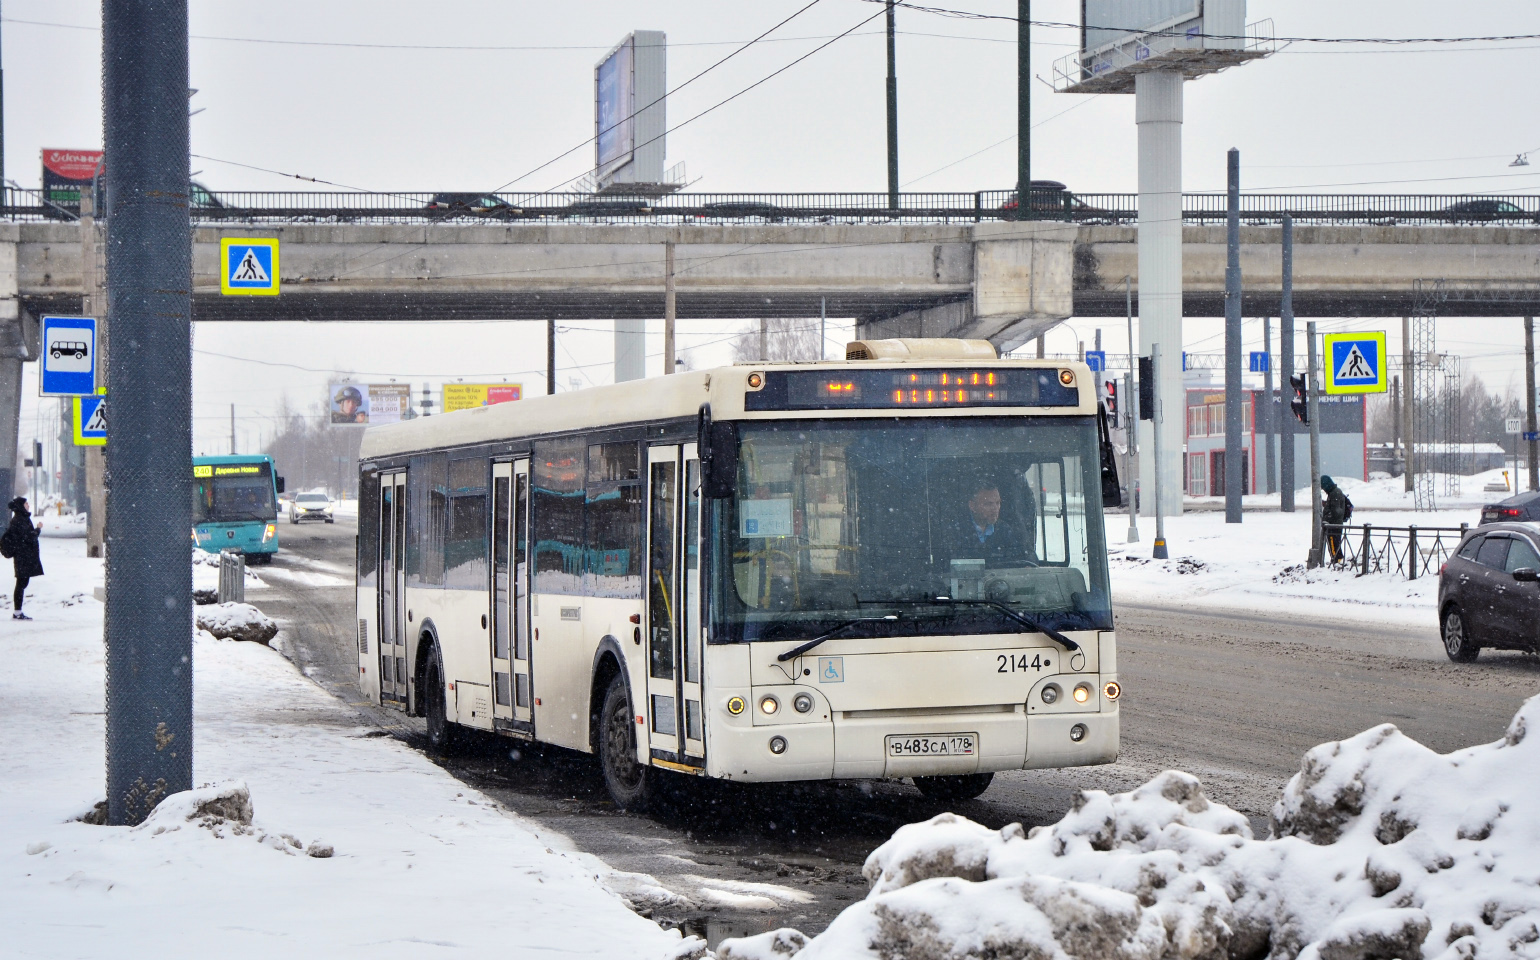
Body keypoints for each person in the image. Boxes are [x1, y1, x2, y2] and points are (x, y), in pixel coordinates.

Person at [940, 480, 1035, 567]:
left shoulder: (1005, 530)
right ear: (972, 506)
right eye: (988, 504)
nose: (995, 509)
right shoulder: (956, 532)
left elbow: (1019, 563)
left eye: (998, 503)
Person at [2, 496, 44, 620]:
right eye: (26, 503)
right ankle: (17, 612)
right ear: (21, 506)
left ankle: (17, 611)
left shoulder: (21, 518)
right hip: (23, 557)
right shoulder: (19, 520)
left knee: (22, 583)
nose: (28, 505)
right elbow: (28, 537)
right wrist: (38, 529)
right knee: (21, 583)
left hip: (24, 556)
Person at [1321, 475, 1350, 564]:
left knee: (1333, 543)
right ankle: (1337, 559)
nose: (1324, 490)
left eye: (1323, 487)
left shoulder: (1335, 493)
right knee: (1335, 543)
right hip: (1335, 524)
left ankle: (1337, 560)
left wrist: (1327, 518)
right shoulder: (1334, 492)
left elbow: (1336, 511)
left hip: (1334, 525)